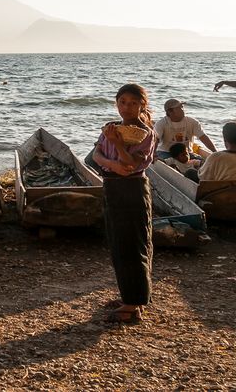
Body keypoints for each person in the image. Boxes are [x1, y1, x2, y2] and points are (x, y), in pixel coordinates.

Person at [90, 83, 156, 324]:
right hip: (113, 186)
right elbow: (95, 155)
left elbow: (131, 166)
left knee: (133, 244)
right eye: (122, 102)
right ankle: (129, 296)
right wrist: (115, 165)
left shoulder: (145, 133)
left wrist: (117, 146)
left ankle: (133, 304)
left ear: (142, 106)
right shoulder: (111, 128)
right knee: (119, 244)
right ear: (116, 103)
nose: (127, 107)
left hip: (131, 190)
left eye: (133, 103)